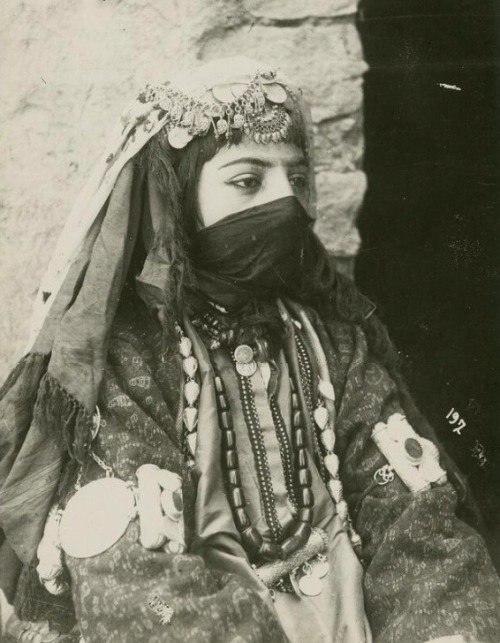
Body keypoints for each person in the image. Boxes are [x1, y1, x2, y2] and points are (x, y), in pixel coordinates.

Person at [0, 56, 499, 643]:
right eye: (247, 181)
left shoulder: (334, 343)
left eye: (298, 179)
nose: (284, 202)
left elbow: (412, 518)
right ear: (179, 201)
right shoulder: (129, 363)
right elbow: (135, 579)